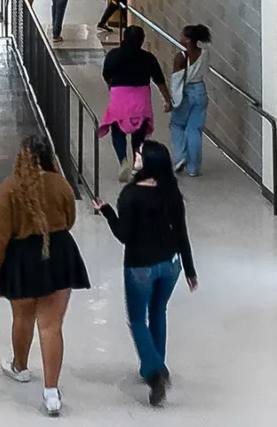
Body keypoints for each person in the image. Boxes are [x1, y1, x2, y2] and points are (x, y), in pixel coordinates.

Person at [0, 137, 88, 418]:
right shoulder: (60, 183)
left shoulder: (10, 189)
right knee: (51, 326)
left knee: (22, 317)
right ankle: (52, 393)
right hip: (59, 253)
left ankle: (19, 367)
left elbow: (1, 236)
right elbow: (69, 219)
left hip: (22, 258)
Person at [92, 140, 198, 406]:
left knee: (138, 320)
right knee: (158, 311)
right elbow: (182, 233)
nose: (135, 156)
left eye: (138, 154)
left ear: (147, 162)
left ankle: (153, 372)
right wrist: (190, 269)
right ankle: (158, 363)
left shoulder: (130, 195)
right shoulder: (171, 192)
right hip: (171, 265)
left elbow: (124, 235)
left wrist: (106, 212)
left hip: (141, 265)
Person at [100, 26, 174, 166]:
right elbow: (159, 80)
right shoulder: (148, 58)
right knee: (139, 135)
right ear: (141, 40)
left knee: (118, 132)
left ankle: (123, 161)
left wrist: (110, 85)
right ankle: (137, 162)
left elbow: (106, 74)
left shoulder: (113, 55)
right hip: (141, 99)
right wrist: (167, 99)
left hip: (120, 99)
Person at [170, 25, 213, 177]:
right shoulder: (205, 53)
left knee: (177, 124)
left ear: (187, 40)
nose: (179, 37)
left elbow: (176, 80)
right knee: (195, 129)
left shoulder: (181, 56)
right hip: (201, 89)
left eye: (182, 35)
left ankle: (181, 156)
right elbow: (205, 70)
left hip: (186, 92)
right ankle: (193, 168)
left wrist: (172, 100)